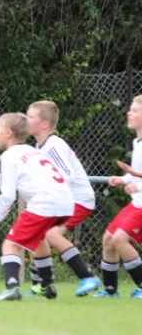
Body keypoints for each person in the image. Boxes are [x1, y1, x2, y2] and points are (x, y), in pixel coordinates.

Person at [0, 113, 74, 301]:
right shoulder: (34, 151)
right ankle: (46, 284)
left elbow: (7, 196)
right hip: (65, 201)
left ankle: (12, 288)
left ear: (8, 133)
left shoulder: (9, 156)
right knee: (38, 238)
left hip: (45, 203)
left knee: (10, 245)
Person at [24, 100, 101, 297]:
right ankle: (42, 284)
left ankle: (87, 276)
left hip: (78, 199)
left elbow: (67, 175)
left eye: (31, 117)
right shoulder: (40, 147)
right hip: (64, 199)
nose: (26, 120)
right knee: (37, 232)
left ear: (44, 124)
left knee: (51, 234)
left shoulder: (53, 145)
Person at [93, 95, 142, 298]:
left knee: (120, 239)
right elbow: (137, 173)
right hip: (136, 204)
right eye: (130, 109)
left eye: (135, 110)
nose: (129, 113)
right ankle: (110, 290)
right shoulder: (137, 142)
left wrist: (137, 187)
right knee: (108, 239)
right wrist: (122, 179)